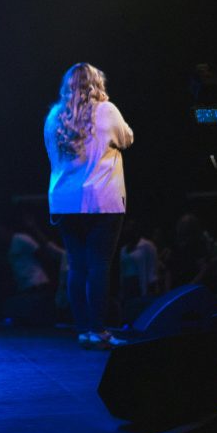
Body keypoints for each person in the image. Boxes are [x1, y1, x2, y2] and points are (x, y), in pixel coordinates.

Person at [44, 63, 134, 349]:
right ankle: (99, 330)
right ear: (97, 84)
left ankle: (83, 330)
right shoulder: (106, 110)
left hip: (65, 200)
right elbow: (127, 138)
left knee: (77, 266)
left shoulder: (54, 116)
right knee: (99, 265)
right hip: (101, 200)